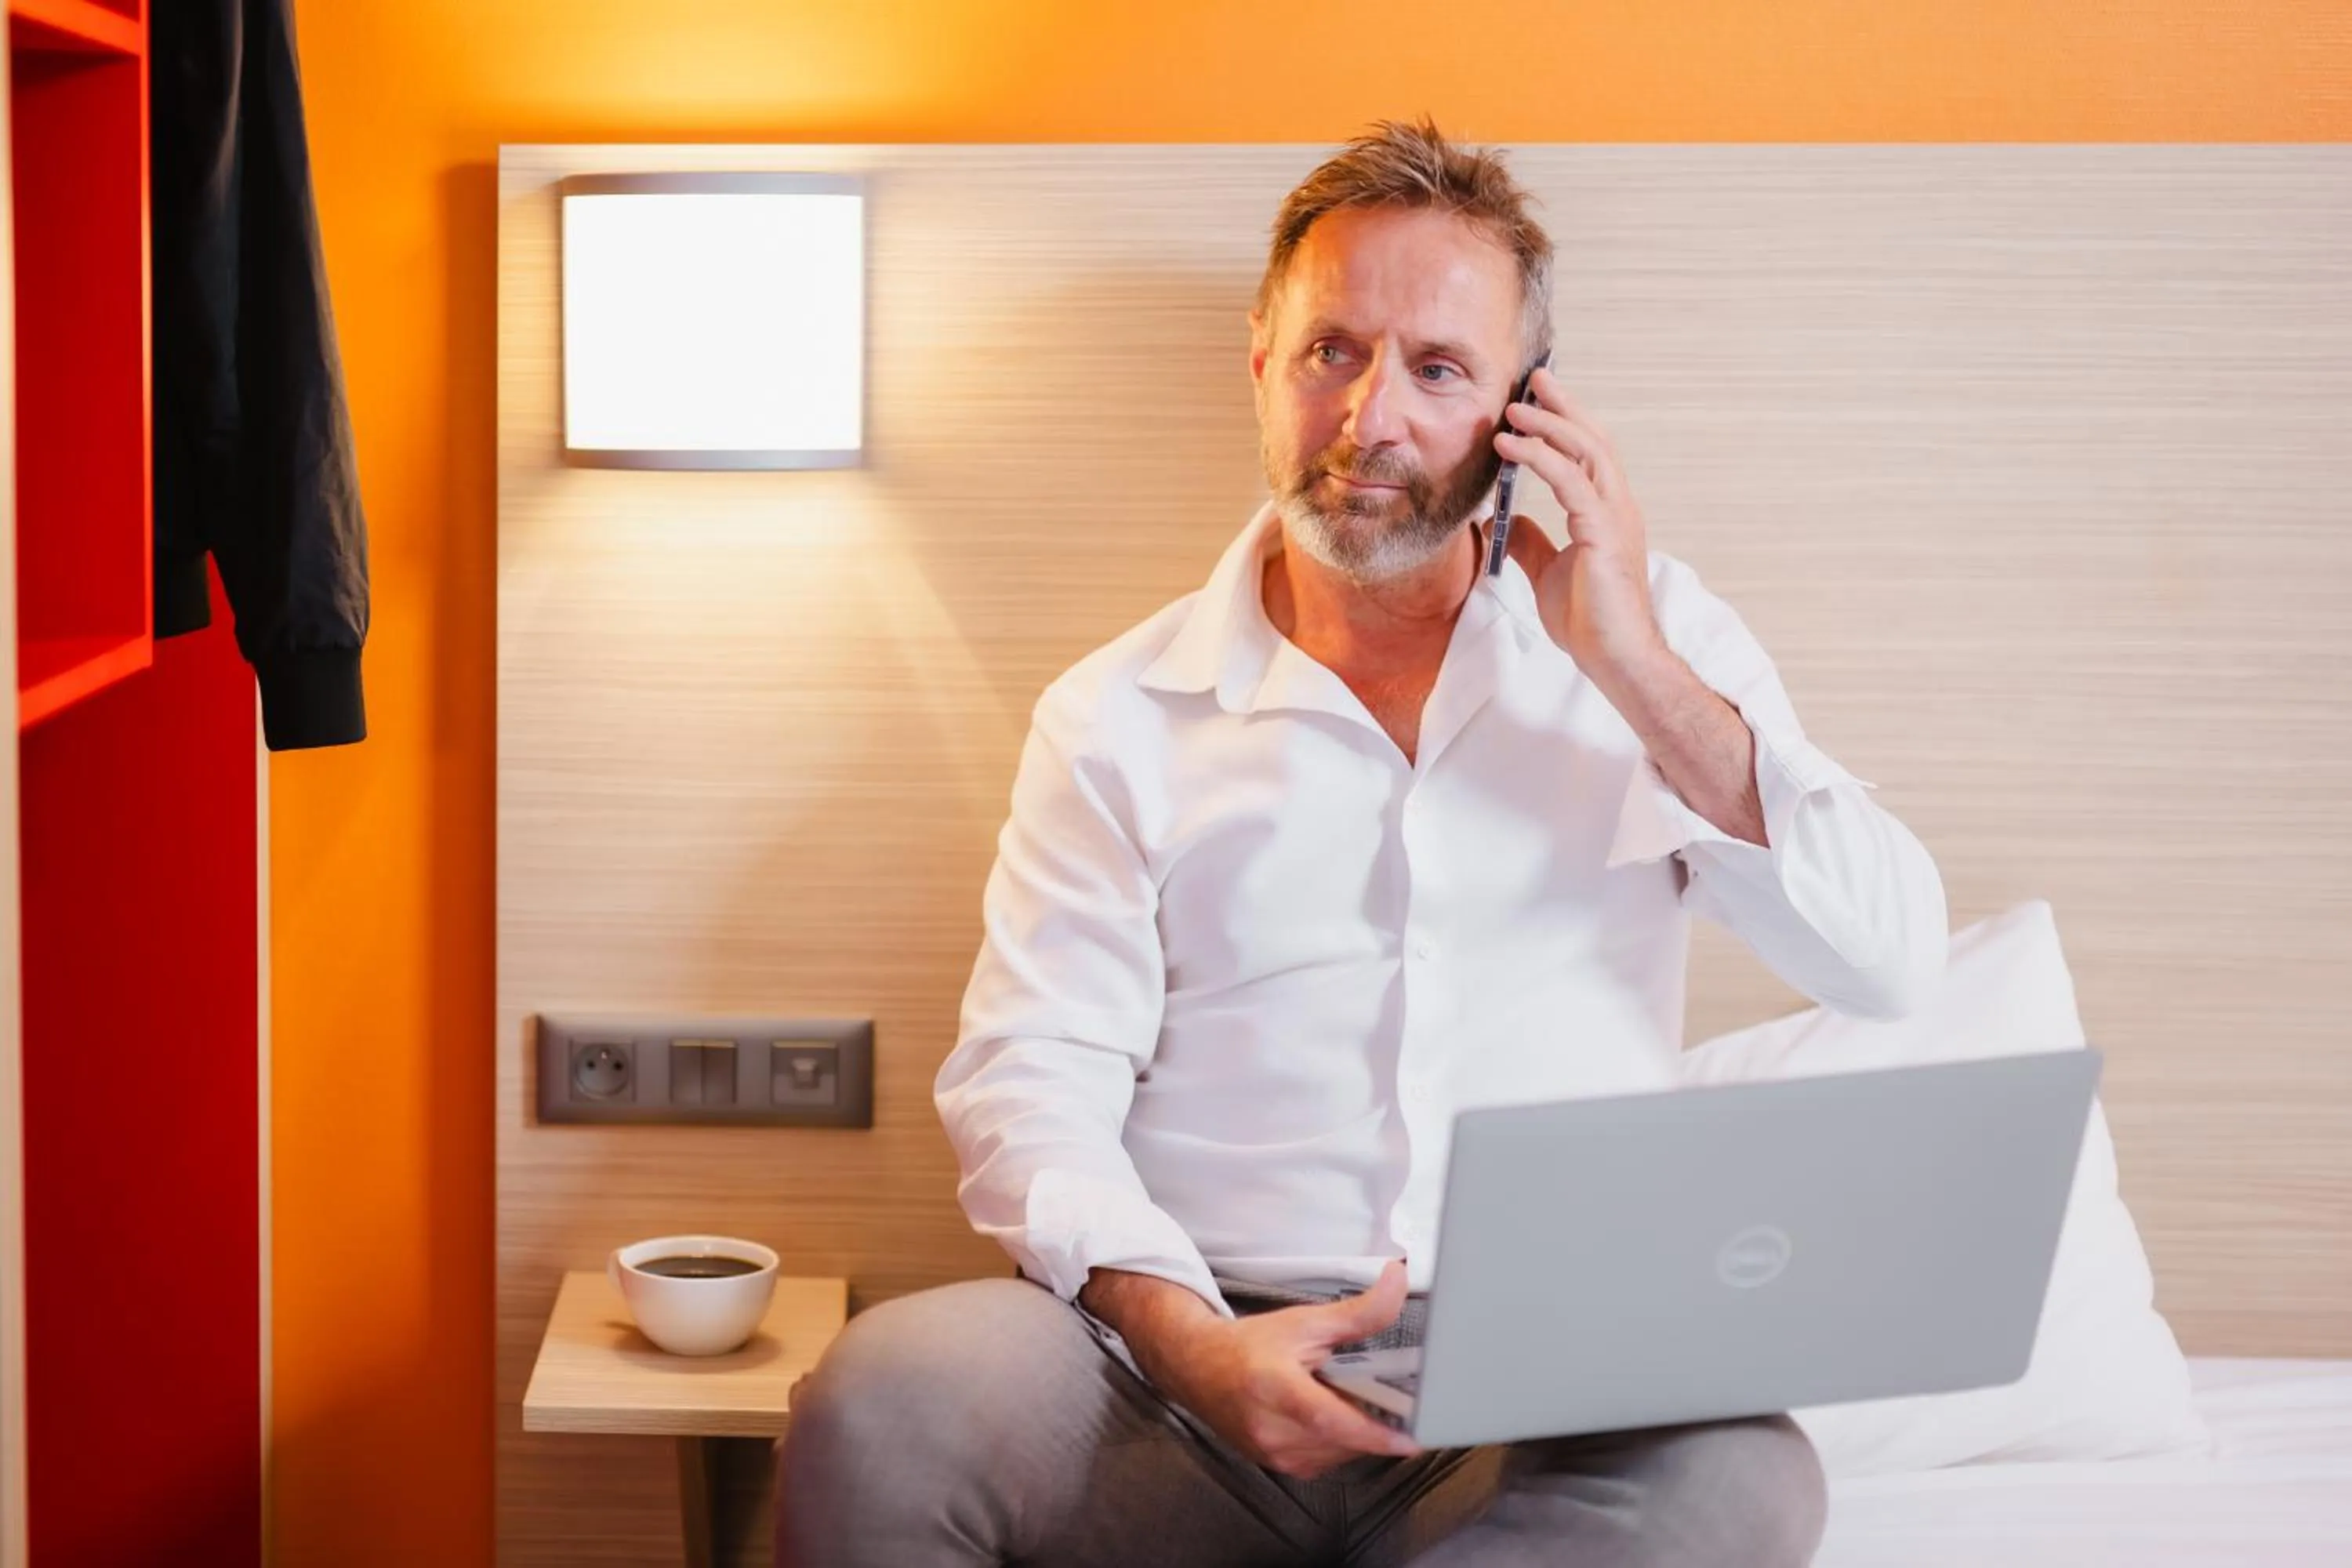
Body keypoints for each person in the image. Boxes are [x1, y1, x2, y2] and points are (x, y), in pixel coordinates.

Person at [775, 115, 1947, 1567]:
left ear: (1526, 412)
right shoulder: (1112, 717)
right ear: (1261, 363)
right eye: (1333, 350)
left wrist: (1630, 661)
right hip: (1175, 1369)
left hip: (1550, 1382)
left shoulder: (1659, 655)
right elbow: (1032, 1084)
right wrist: (1193, 1341)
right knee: (883, 1400)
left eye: (1440, 369)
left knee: (1746, 1479)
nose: (1371, 417)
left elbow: (1888, 960)